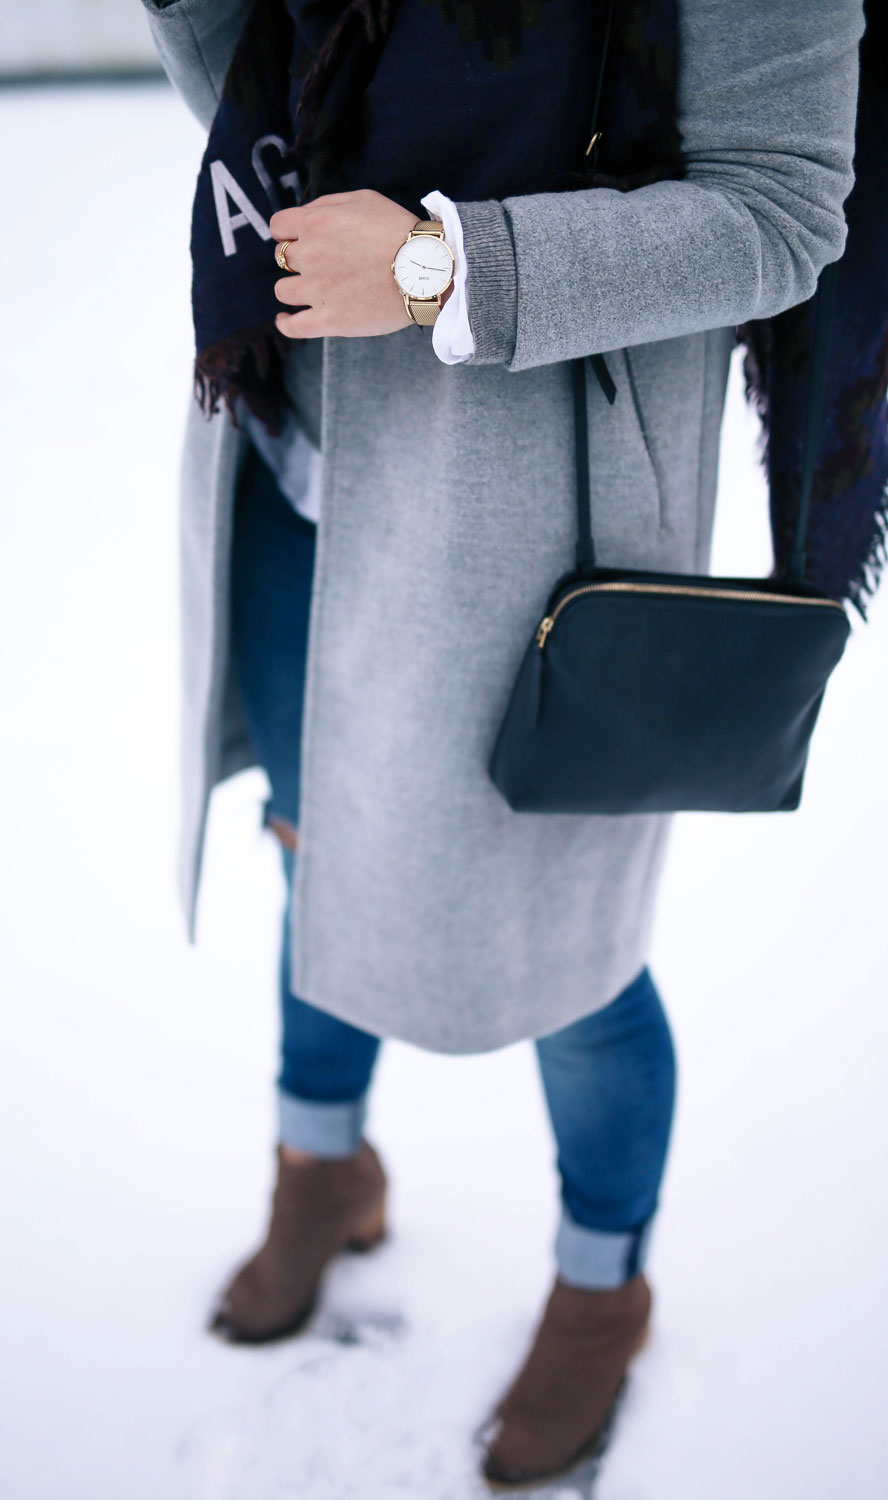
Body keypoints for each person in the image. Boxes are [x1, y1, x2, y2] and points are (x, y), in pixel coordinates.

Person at [141, 0, 865, 1486]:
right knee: (310, 833)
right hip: (297, 447)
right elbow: (260, 75)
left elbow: (785, 208)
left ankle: (605, 1286)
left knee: (575, 965)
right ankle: (322, 1162)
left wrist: (440, 268)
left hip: (527, 519)